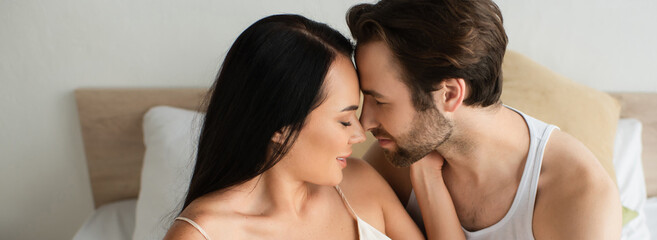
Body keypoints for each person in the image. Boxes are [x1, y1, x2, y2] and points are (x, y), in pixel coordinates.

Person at [164, 14, 462, 240]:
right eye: (344, 120)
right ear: (279, 128)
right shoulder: (204, 234)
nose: (360, 135)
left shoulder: (360, 184)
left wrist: (425, 172)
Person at [347, 0, 623, 239]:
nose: (364, 122)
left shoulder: (577, 196)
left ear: (450, 94)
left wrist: (428, 183)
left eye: (380, 101)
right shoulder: (398, 154)